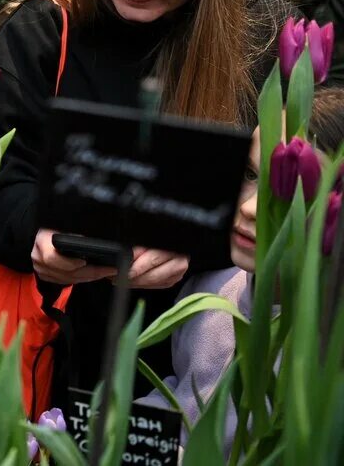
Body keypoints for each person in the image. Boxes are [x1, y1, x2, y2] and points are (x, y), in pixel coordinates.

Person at [0, 0, 290, 400]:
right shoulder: (42, 34)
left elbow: (273, 201)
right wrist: (42, 234)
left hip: (190, 370)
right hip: (47, 360)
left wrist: (198, 239)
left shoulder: (255, 46)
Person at [139, 86, 344, 451]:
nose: (250, 209)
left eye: (290, 191)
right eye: (250, 174)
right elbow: (183, 401)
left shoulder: (326, 356)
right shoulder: (211, 291)